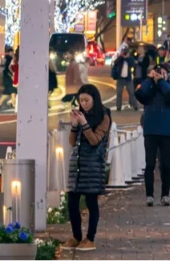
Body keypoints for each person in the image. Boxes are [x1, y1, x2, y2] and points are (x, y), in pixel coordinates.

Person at [65, 84, 112, 253]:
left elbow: (94, 141)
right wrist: (74, 125)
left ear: (95, 99)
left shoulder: (103, 116)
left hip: (93, 164)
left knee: (91, 202)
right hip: (77, 164)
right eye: (81, 100)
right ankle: (76, 237)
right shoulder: (81, 114)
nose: (83, 104)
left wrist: (84, 123)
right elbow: (72, 142)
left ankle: (90, 238)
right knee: (72, 201)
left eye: (87, 100)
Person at [135, 63, 170, 206]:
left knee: (166, 164)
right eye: (158, 72)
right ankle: (149, 195)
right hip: (151, 130)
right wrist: (150, 79)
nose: (160, 74)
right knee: (150, 164)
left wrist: (161, 81)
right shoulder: (149, 89)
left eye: (163, 72)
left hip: (166, 131)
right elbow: (140, 94)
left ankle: (165, 194)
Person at [0, 46, 17, 110]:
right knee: (13, 90)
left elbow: (3, 65)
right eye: (11, 52)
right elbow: (9, 67)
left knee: (7, 91)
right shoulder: (11, 59)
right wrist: (13, 73)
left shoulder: (6, 58)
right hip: (9, 77)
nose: (12, 53)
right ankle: (13, 104)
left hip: (6, 77)